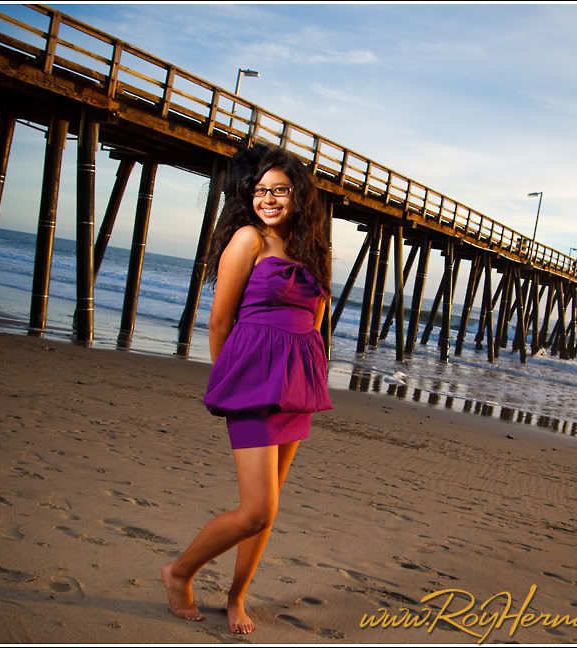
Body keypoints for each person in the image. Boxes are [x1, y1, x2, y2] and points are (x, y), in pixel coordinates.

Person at [161, 144, 333, 634]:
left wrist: (311, 377)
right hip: (253, 382)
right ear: (249, 196)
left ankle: (237, 597)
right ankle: (178, 573)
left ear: (299, 196)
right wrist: (228, 378)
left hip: (296, 384)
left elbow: (314, 323)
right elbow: (219, 321)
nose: (270, 199)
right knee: (256, 509)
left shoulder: (312, 251)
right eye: (261, 191)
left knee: (268, 511)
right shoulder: (247, 240)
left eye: (280, 190)